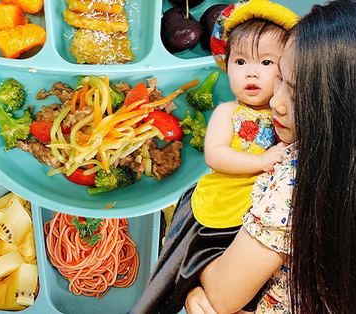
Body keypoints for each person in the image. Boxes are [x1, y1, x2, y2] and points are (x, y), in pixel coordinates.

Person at [186, 1, 356, 313]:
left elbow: (221, 295)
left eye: (300, 95)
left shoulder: (292, 186)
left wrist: (193, 275)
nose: (277, 102)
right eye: (281, 78)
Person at [128, 1, 299, 313]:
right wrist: (260, 163)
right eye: (240, 61)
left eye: (266, 63)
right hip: (219, 211)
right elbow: (216, 155)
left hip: (251, 221)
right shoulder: (229, 112)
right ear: (226, 63)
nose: (251, 71)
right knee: (173, 278)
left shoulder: (290, 124)